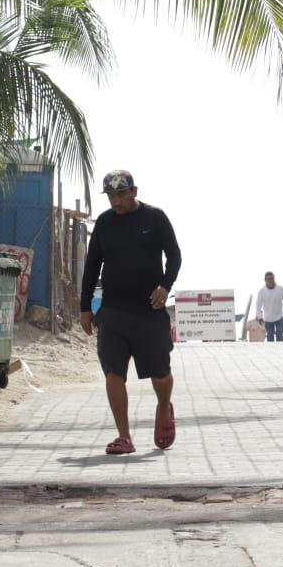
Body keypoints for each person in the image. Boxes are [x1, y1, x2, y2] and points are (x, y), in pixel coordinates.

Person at [79, 170, 182, 455]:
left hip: (150, 310)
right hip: (113, 311)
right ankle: (124, 436)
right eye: (111, 196)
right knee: (114, 371)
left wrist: (165, 286)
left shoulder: (155, 218)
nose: (116, 201)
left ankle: (163, 407)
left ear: (134, 191)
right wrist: (85, 307)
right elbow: (91, 267)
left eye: (121, 194)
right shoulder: (104, 223)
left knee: (160, 374)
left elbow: (174, 255)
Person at [254, 271, 283, 342]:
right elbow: (258, 305)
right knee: (270, 337)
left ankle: (281, 351)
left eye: (272, 278)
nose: (270, 280)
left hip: (279, 317)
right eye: (268, 279)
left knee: (279, 334)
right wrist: (259, 317)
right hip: (267, 319)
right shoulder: (261, 292)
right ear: (265, 280)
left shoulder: (280, 289)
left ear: (274, 278)